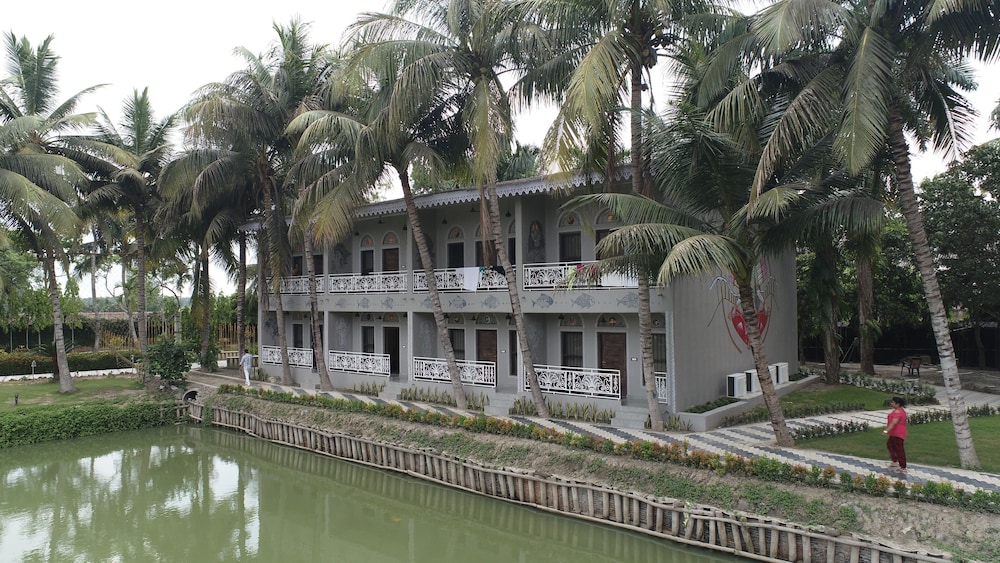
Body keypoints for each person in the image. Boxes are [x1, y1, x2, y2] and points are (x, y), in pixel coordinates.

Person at [883, 396, 908, 472]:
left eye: (893, 402)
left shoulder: (898, 412)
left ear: (897, 404)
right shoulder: (898, 411)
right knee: (890, 445)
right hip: (894, 433)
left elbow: (894, 423)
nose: (891, 403)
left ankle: (903, 466)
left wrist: (886, 431)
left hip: (898, 433)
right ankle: (895, 461)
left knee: (899, 449)